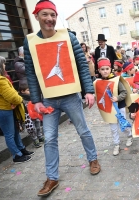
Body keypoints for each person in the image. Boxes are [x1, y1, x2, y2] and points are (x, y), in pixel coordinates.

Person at [24, 1, 100, 196]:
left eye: (53, 15)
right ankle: (52, 178)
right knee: (49, 138)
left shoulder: (69, 37)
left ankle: (93, 159)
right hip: (48, 99)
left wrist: (88, 91)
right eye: (45, 15)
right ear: (37, 16)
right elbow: (31, 73)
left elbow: (82, 65)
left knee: (83, 130)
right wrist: (36, 100)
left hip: (70, 97)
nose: (50, 18)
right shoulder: (30, 41)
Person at [0, 55, 34, 163]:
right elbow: (14, 97)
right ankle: (17, 155)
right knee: (10, 133)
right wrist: (19, 99)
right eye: (3, 63)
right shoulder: (0, 81)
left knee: (14, 131)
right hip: (3, 110)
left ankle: (21, 149)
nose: (4, 65)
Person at [95, 58, 133, 155]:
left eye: (107, 69)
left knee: (123, 124)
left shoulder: (116, 80)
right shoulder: (98, 82)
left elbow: (124, 92)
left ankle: (130, 135)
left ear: (110, 69)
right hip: (109, 109)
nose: (105, 71)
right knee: (113, 128)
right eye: (102, 69)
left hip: (119, 106)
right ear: (99, 70)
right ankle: (116, 144)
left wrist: (118, 98)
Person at [19, 83, 44, 148]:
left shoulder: (32, 97)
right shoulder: (22, 99)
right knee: (32, 129)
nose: (30, 91)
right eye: (28, 90)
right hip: (28, 117)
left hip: (36, 114)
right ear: (22, 91)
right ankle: (35, 140)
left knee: (38, 127)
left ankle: (40, 137)